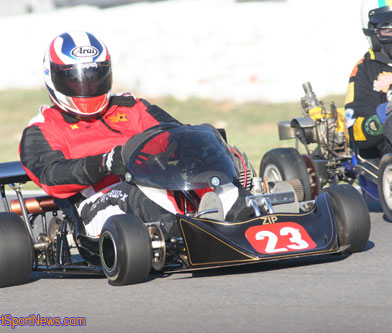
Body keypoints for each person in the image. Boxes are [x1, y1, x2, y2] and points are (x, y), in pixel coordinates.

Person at [19, 31, 252, 238]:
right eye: (76, 79)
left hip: (160, 183)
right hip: (97, 202)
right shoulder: (42, 127)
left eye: (94, 77)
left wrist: (208, 149)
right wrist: (103, 164)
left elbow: (177, 134)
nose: (87, 87)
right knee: (133, 194)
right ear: (54, 77)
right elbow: (52, 175)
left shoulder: (131, 106)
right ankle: (189, 234)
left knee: (211, 177)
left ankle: (248, 215)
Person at [345, 0, 392, 158]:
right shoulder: (365, 71)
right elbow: (357, 134)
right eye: (388, 29)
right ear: (372, 31)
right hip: (391, 155)